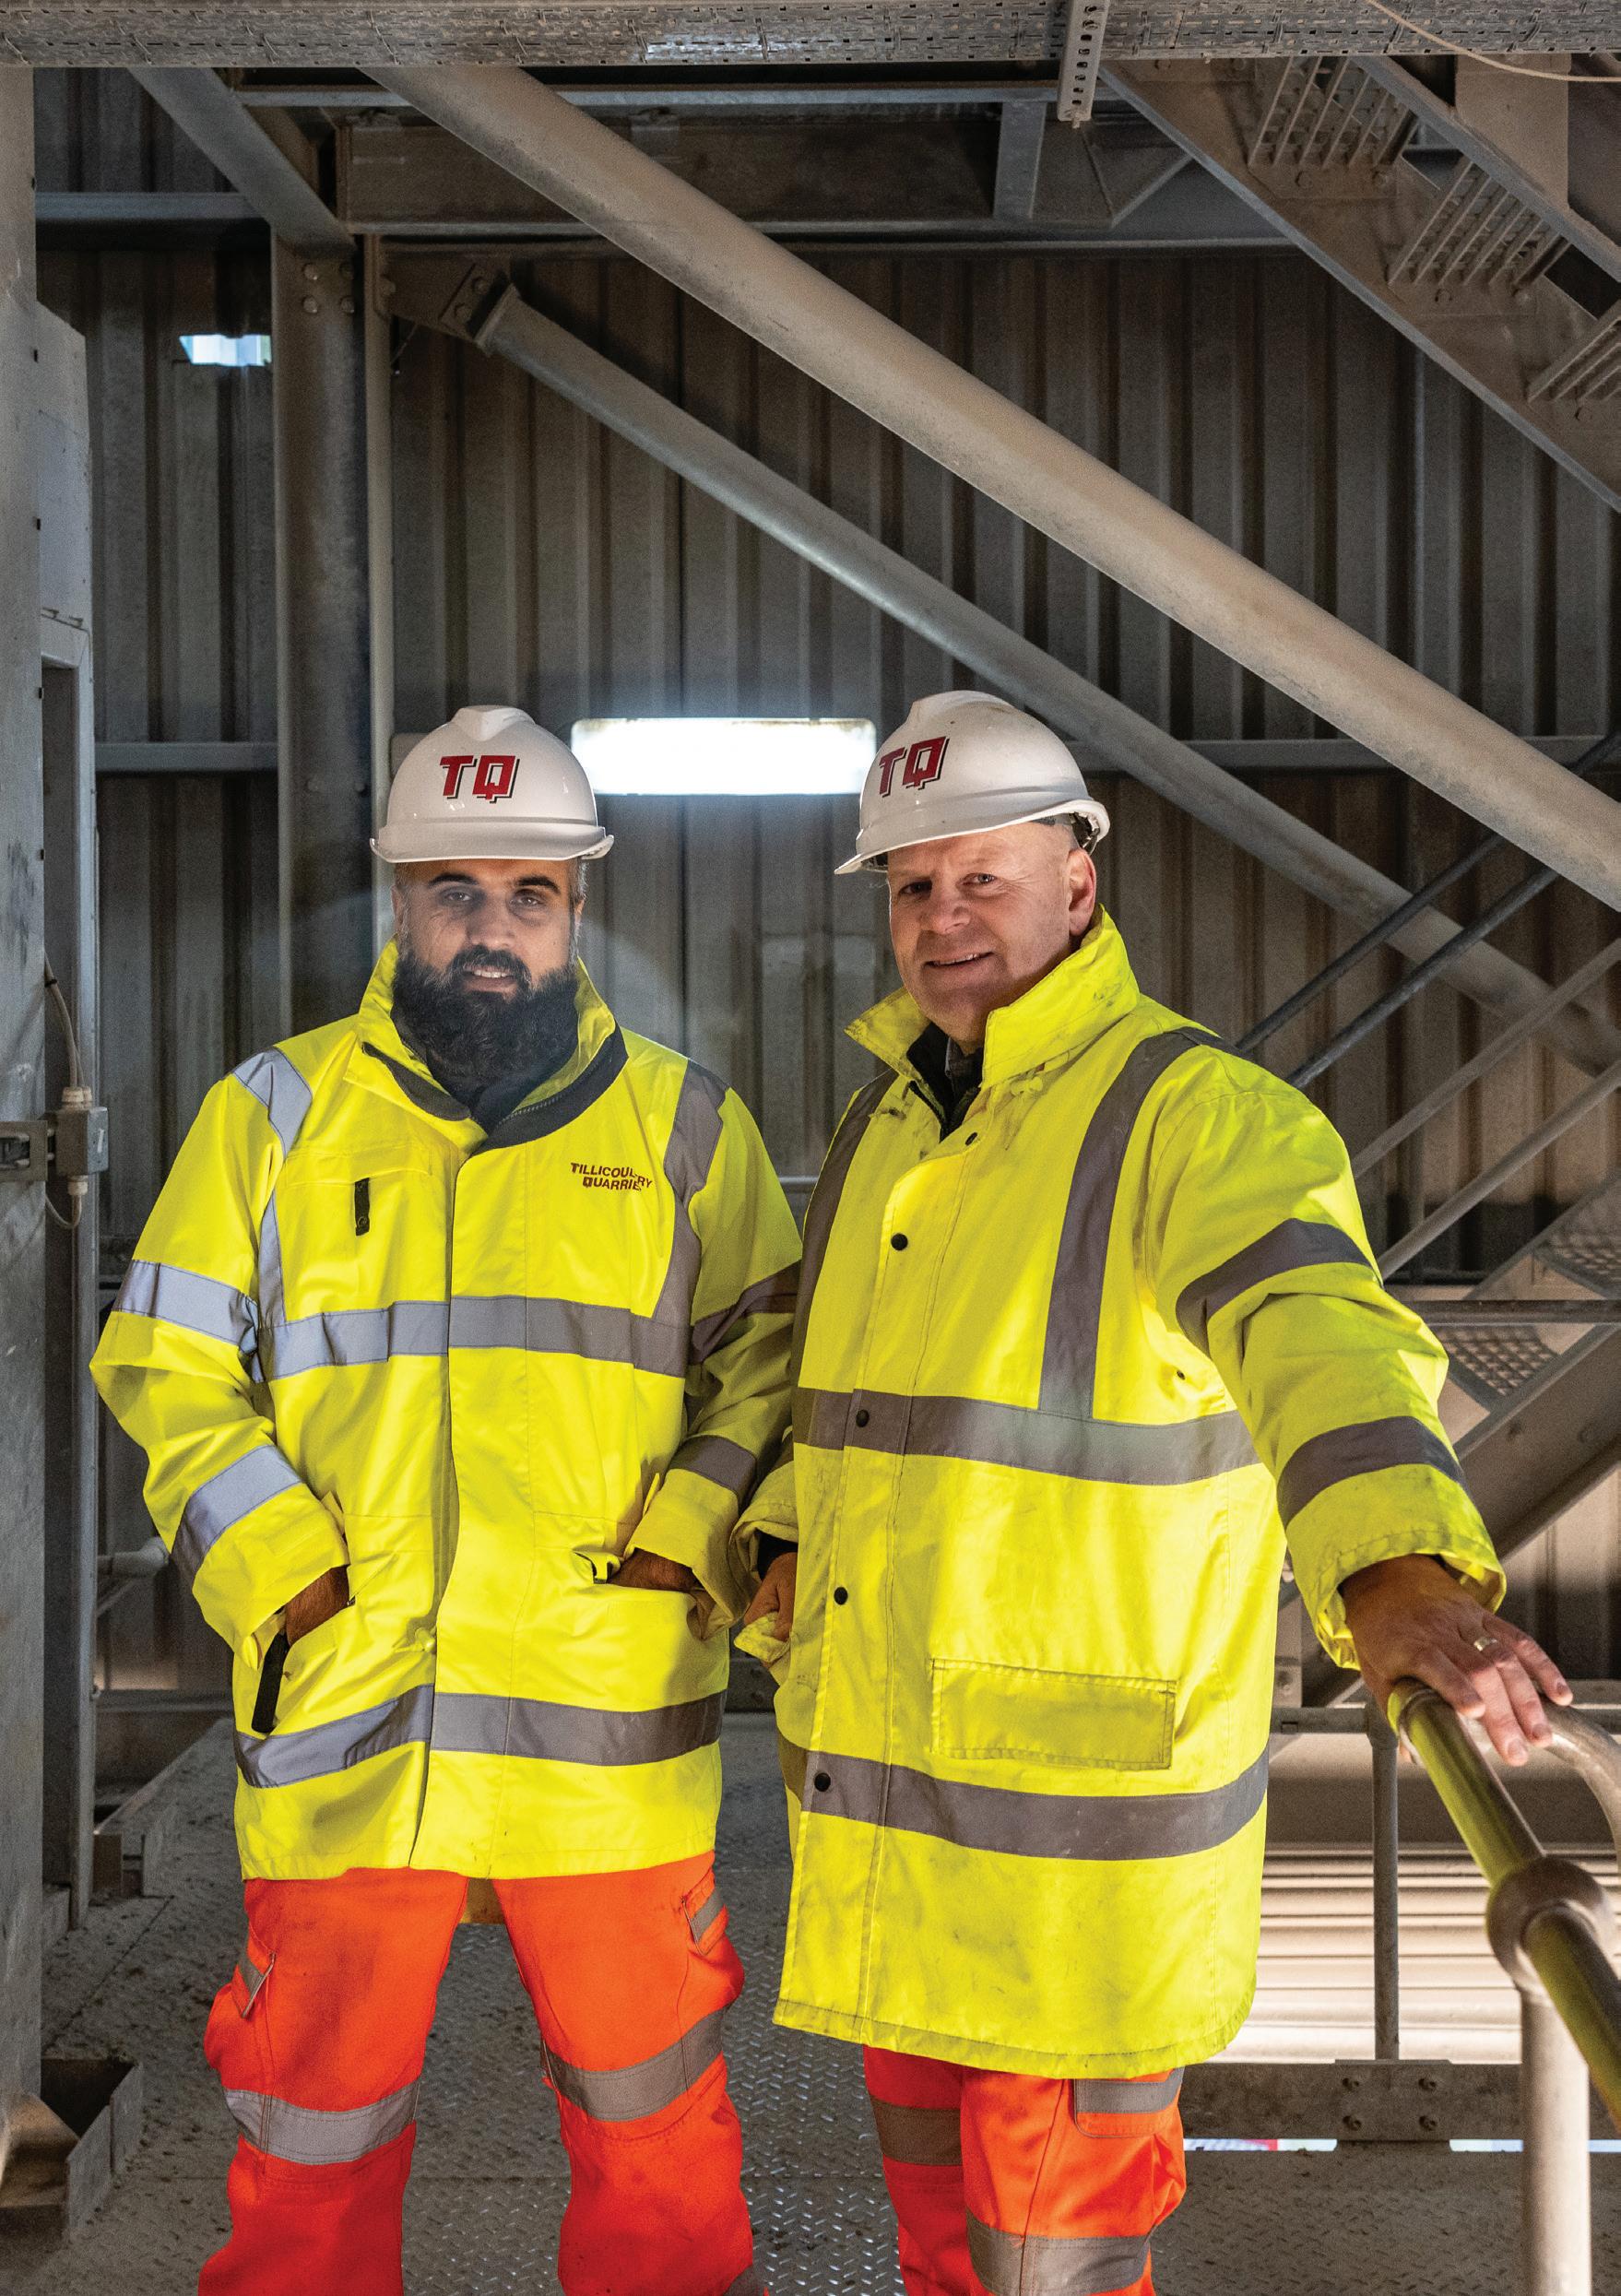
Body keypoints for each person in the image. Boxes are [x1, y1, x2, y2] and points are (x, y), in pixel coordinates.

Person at [738, 691, 1568, 2296]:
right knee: (938, 2242)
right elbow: (840, 1405)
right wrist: (780, 1536)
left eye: (982, 877)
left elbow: (1319, 1339)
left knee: (1052, 2259)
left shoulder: (1193, 1119)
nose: (942, 917)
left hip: (1075, 1854)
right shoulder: (888, 1121)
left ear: (1078, 885)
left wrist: (1395, 1569)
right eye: (913, 886)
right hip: (892, 1826)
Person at [92, 704, 799, 2296]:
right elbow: (162, 1361)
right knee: (310, 2149)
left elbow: (773, 1361)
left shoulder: (682, 1123)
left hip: (601, 1734)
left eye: (527, 894)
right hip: (356, 1722)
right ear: (398, 900)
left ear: (577, 905)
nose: (491, 928)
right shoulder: (273, 1115)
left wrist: (685, 1542)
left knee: (657, 2156)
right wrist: (287, 1574)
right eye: (453, 892)